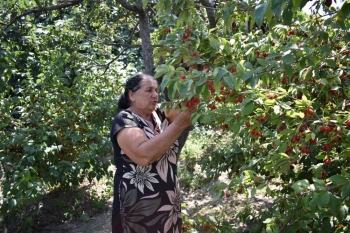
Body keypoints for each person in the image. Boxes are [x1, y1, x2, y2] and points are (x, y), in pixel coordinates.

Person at [110, 73, 197, 233]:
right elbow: (144, 155)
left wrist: (196, 73)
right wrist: (178, 125)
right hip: (139, 207)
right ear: (132, 95)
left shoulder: (160, 114)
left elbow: (191, 106)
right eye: (149, 90)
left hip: (168, 202)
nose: (155, 95)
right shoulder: (124, 120)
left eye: (156, 90)